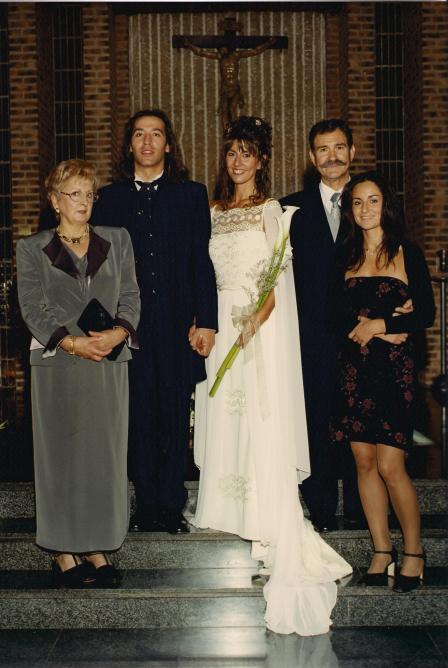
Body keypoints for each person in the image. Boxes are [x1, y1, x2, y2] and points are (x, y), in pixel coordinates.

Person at [191, 116, 352, 636]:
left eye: (247, 153)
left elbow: (277, 281)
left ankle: (264, 514)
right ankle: (227, 504)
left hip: (255, 326)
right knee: (224, 414)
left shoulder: (272, 212)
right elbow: (201, 274)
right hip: (220, 326)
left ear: (262, 160)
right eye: (231, 152)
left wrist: (253, 323)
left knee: (258, 419)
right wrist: (203, 321)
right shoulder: (212, 211)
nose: (237, 161)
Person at [91, 110, 218, 535]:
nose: (147, 142)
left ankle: (170, 504)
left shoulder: (191, 195)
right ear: (129, 145)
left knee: (174, 414)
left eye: (156, 134)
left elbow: (201, 261)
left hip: (179, 325)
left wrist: (207, 321)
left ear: (168, 144)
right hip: (128, 327)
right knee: (138, 415)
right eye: (139, 134)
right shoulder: (108, 199)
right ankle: (145, 505)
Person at [16, 159, 140, 587]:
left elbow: (130, 294)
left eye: (89, 194)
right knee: (61, 457)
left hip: (107, 361)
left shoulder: (117, 240)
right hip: (58, 364)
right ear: (55, 200)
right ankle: (63, 551)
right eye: (74, 194)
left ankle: (96, 546)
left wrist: (119, 332)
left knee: (102, 459)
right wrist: (73, 343)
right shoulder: (32, 248)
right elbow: (33, 308)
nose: (83, 201)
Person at [332, 171, 435, 592]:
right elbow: (331, 313)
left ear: (385, 204)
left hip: (394, 372)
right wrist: (368, 326)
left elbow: (425, 312)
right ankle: (380, 550)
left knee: (391, 465)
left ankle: (414, 551)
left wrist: (384, 325)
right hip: (354, 370)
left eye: (372, 200)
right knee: (363, 462)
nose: (365, 209)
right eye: (357, 202)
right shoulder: (344, 255)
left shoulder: (407, 251)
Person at [280, 118, 363, 531]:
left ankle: (363, 510)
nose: (333, 157)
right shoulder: (289, 210)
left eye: (339, 147)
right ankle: (322, 508)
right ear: (312, 158)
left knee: (361, 426)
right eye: (324, 149)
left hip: (362, 336)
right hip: (309, 338)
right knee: (315, 423)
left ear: (352, 152)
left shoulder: (370, 201)